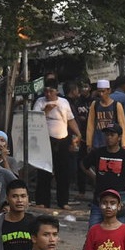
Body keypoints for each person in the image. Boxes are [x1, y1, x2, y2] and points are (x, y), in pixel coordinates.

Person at [33, 81, 82, 209]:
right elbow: (34, 120)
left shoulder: (64, 102)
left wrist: (78, 133)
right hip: (45, 139)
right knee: (44, 172)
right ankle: (42, 201)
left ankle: (63, 201)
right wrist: (46, 111)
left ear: (56, 91)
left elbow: (70, 120)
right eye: (46, 91)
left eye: (51, 91)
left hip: (62, 139)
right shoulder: (40, 102)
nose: (48, 94)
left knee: (63, 172)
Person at [86, 79, 125, 151]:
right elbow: (90, 124)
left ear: (109, 91)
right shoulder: (95, 104)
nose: (101, 94)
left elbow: (122, 125)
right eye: (99, 91)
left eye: (103, 91)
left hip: (113, 143)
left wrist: (124, 144)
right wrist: (89, 143)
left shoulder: (117, 105)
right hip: (98, 142)